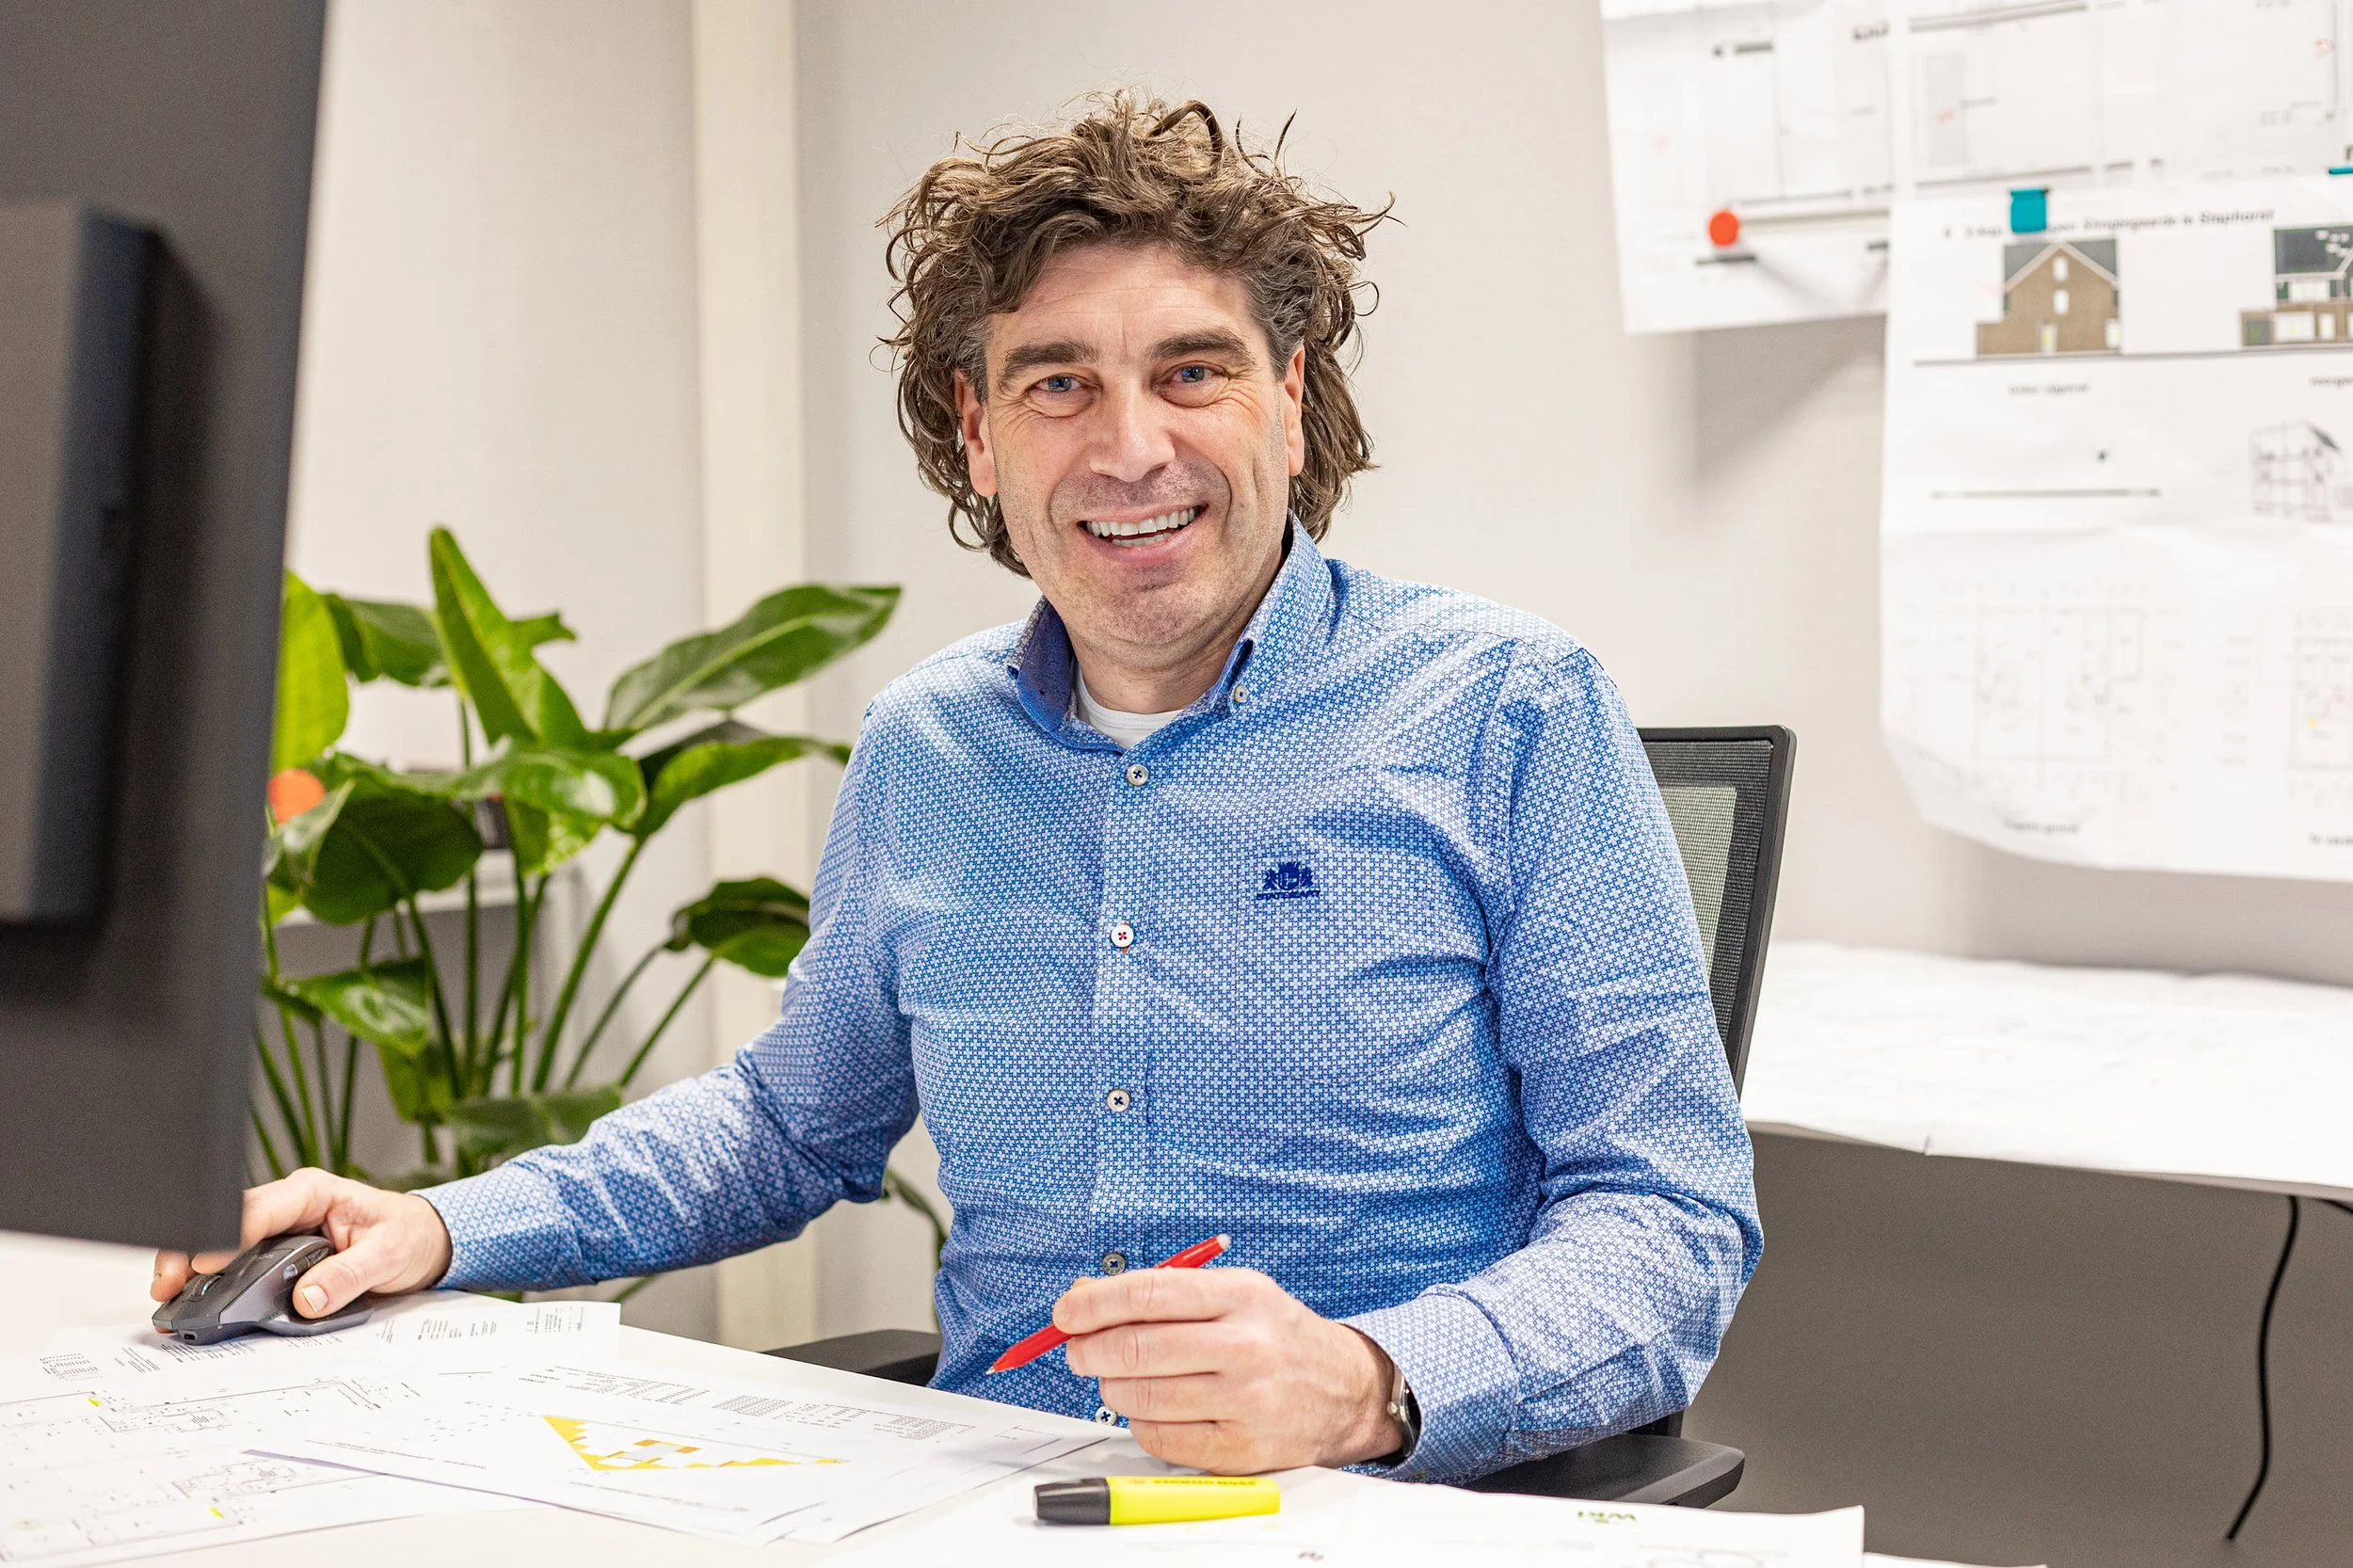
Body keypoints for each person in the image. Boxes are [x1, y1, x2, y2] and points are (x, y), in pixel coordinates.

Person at [155, 94, 1759, 1485]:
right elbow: (790, 1123)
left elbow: (1666, 1217)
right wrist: (439, 1226)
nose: (1130, 447)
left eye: (1192, 372)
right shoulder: (932, 748)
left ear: (1291, 400)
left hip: (1374, 1505)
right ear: (980, 438)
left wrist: (1370, 1382)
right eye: (1058, 384)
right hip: (993, 1499)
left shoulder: (1509, 706)